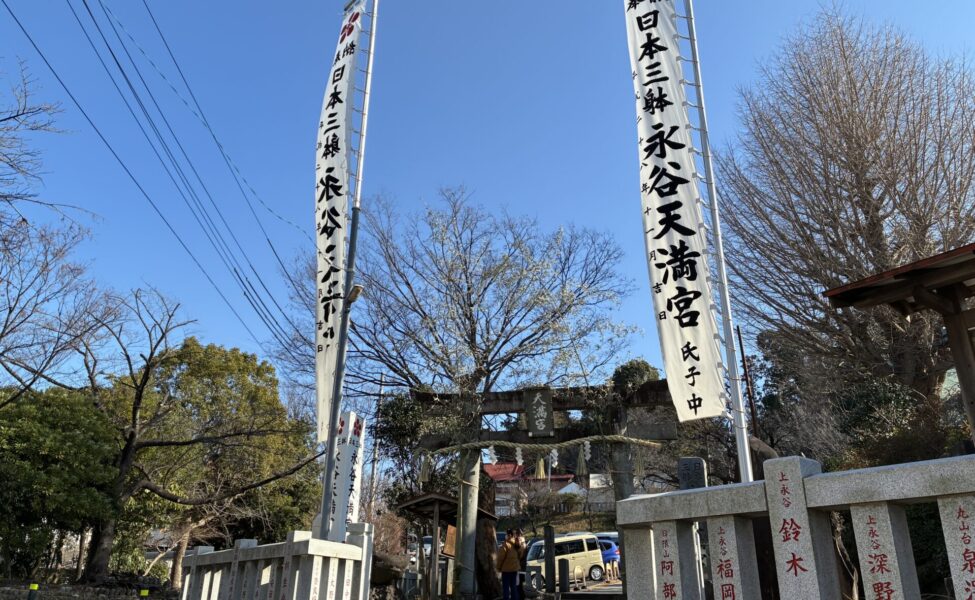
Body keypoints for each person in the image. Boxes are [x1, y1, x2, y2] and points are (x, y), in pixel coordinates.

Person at [497, 528, 526, 600]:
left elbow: (500, 558)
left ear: (509, 535)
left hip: (506, 570)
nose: (505, 535)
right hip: (515, 569)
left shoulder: (505, 544)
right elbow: (520, 555)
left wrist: (498, 567)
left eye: (506, 534)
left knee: (506, 589)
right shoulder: (517, 544)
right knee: (514, 588)